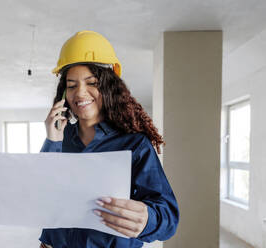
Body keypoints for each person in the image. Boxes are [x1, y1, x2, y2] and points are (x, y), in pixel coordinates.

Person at [39, 30, 179, 248]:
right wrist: (52, 140)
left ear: (108, 86)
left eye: (91, 82)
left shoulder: (134, 144)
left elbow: (168, 217)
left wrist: (148, 219)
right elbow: (46, 195)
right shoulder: (60, 140)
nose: (80, 93)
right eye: (72, 85)